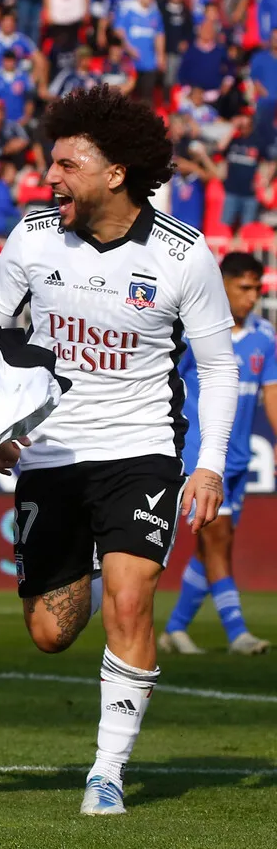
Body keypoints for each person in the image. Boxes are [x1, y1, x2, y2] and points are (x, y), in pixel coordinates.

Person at [0, 86, 238, 816]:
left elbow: (218, 368)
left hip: (141, 450)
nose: (49, 178)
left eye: (66, 165)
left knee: (131, 598)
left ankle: (107, 773)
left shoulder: (184, 255)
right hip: (52, 451)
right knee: (51, 631)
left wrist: (209, 462)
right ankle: (87, 554)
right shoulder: (31, 236)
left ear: (115, 173)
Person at [162, 253, 275, 656]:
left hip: (241, 459)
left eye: (257, 288)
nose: (252, 296)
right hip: (203, 456)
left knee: (213, 548)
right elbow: (171, 382)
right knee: (218, 540)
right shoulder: (200, 333)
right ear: (223, 285)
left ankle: (175, 628)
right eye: (244, 287)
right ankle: (238, 633)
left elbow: (272, 394)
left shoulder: (265, 336)